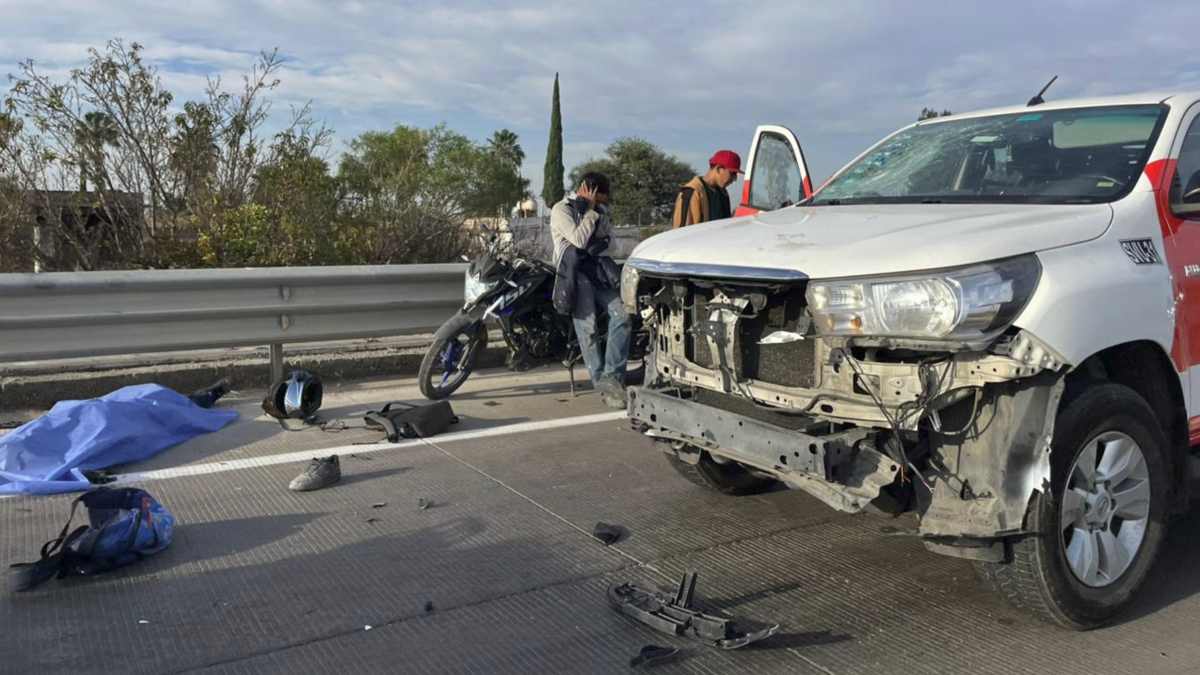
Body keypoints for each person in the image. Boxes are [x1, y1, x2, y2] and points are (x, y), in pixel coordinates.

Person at [550, 172, 630, 408]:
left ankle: (612, 377)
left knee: (623, 315)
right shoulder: (561, 209)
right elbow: (578, 240)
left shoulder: (601, 211)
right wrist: (591, 213)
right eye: (602, 196)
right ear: (589, 189)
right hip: (574, 276)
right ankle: (602, 385)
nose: (605, 201)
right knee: (588, 328)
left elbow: (612, 244)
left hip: (598, 272)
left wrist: (598, 216)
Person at [671, 149, 743, 228]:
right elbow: (681, 233)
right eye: (732, 173)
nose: (735, 179)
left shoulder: (723, 193)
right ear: (719, 169)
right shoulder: (691, 192)